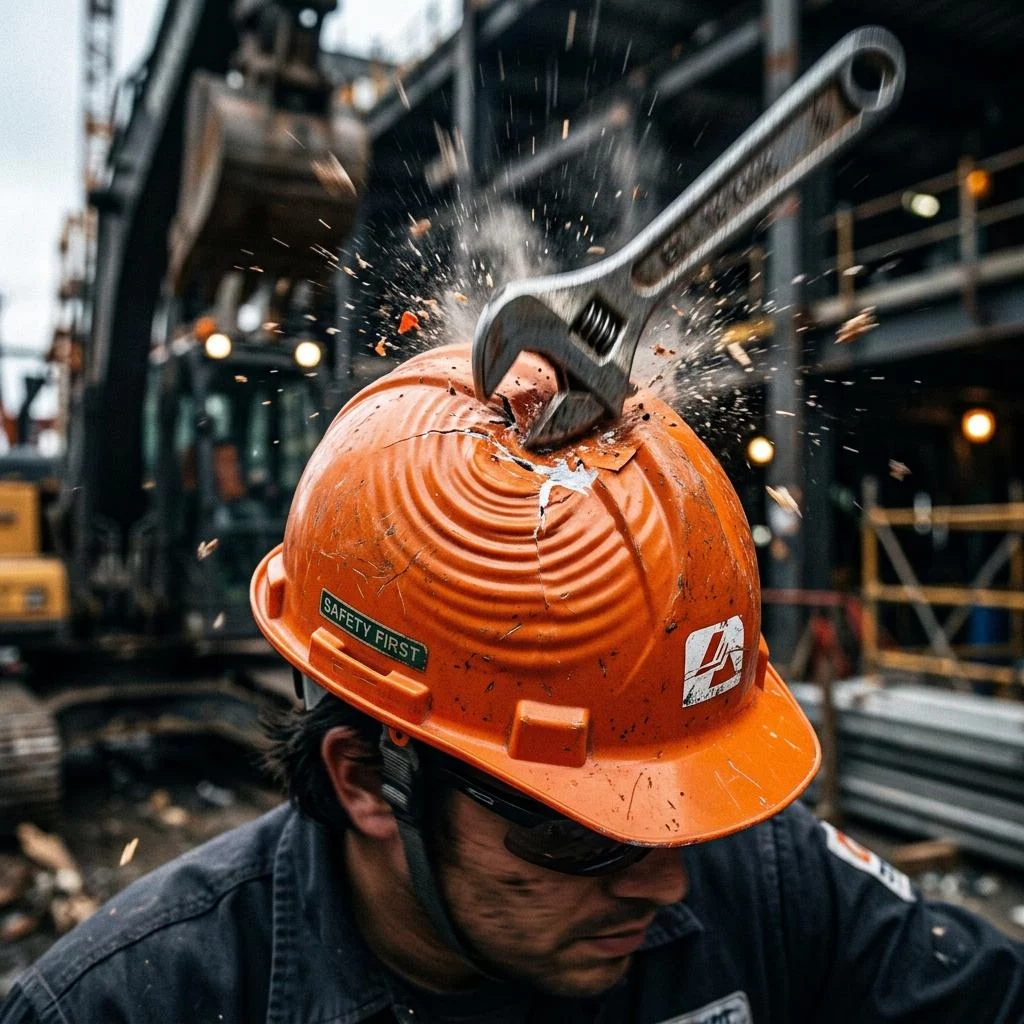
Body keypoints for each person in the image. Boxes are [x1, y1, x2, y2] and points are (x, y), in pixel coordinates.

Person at [2, 344, 1021, 1024]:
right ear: (364, 777)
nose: (668, 882)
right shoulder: (143, 999)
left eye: (683, 813)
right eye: (579, 830)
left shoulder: (765, 880)